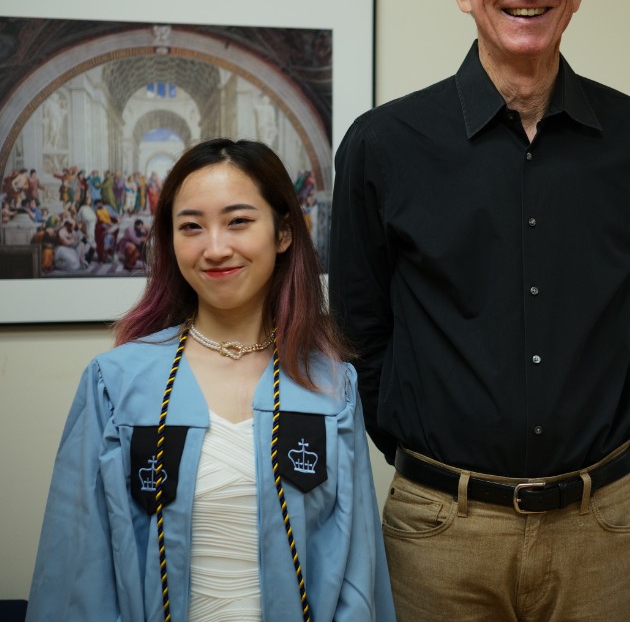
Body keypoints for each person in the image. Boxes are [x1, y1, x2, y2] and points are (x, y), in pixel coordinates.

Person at [329, 0, 630, 621]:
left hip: (603, 527)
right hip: (442, 533)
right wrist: (421, 454)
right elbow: (361, 331)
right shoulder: (384, 144)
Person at [28, 139, 395, 622]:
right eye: (191, 227)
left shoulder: (330, 386)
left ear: (284, 232)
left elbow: (358, 573)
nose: (215, 248)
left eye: (238, 221)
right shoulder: (117, 384)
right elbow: (78, 571)